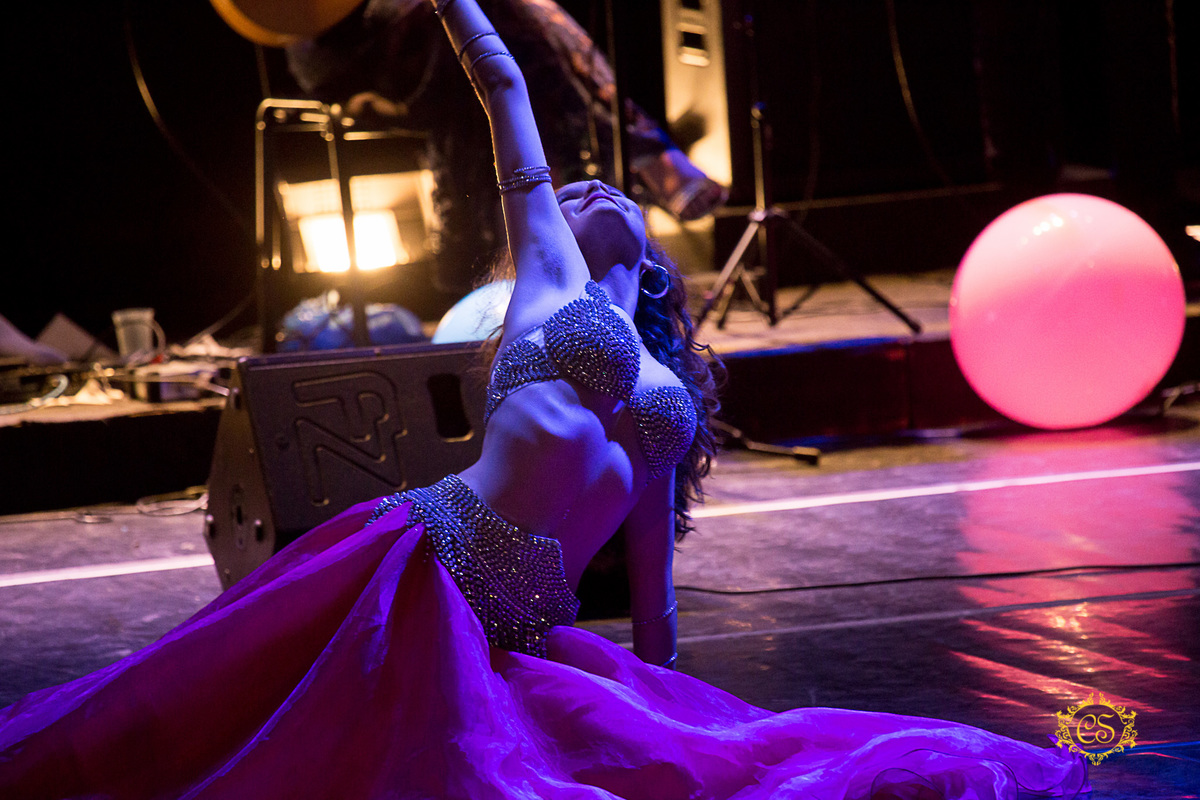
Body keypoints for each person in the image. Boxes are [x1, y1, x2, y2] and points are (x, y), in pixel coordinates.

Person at [1, 2, 1086, 797]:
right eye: (568, 190)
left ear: (654, 259)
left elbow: (655, 577)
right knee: (219, 728)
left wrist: (663, 693)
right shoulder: (549, 282)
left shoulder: (664, 390)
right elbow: (504, 86)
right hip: (421, 568)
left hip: (517, 629)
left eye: (607, 186)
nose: (589, 183)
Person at [285, 0, 727, 293]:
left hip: (415, 32)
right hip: (341, 48)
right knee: (510, 12)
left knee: (519, 16)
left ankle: (573, 198)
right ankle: (645, 153)